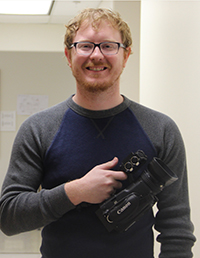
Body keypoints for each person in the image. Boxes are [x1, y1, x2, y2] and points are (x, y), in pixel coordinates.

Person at [0, 8, 195, 258]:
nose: (96, 55)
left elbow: (177, 231)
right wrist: (75, 192)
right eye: (85, 46)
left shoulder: (161, 130)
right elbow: (8, 217)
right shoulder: (38, 129)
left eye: (108, 45)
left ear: (125, 56)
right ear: (69, 56)